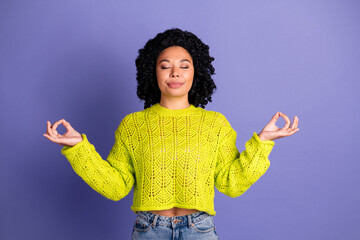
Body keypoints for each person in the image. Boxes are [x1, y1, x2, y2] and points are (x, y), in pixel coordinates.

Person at [43, 28, 299, 240]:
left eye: (183, 66)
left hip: (200, 230)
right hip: (148, 230)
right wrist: (78, 147)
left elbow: (230, 183)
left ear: (195, 73)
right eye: (165, 66)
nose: (175, 72)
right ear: (153, 73)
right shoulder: (133, 125)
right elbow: (116, 187)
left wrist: (263, 142)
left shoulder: (215, 124)